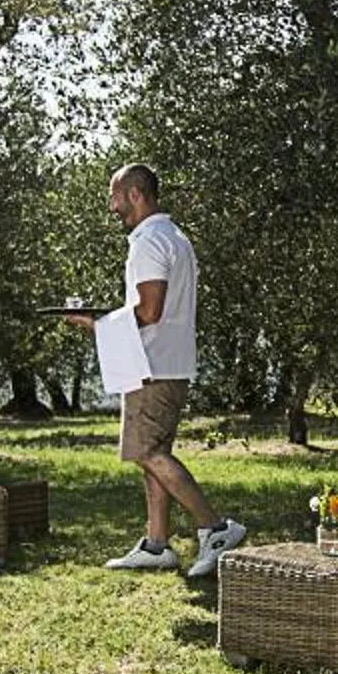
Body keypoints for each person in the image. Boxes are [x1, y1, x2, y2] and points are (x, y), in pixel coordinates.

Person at [71, 163, 245, 575]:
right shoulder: (175, 237)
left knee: (147, 452)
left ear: (135, 194)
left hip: (149, 365)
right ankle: (156, 545)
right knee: (155, 454)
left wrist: (97, 323)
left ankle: (215, 528)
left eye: (115, 196)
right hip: (170, 363)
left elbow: (149, 310)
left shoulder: (147, 241)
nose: (112, 206)